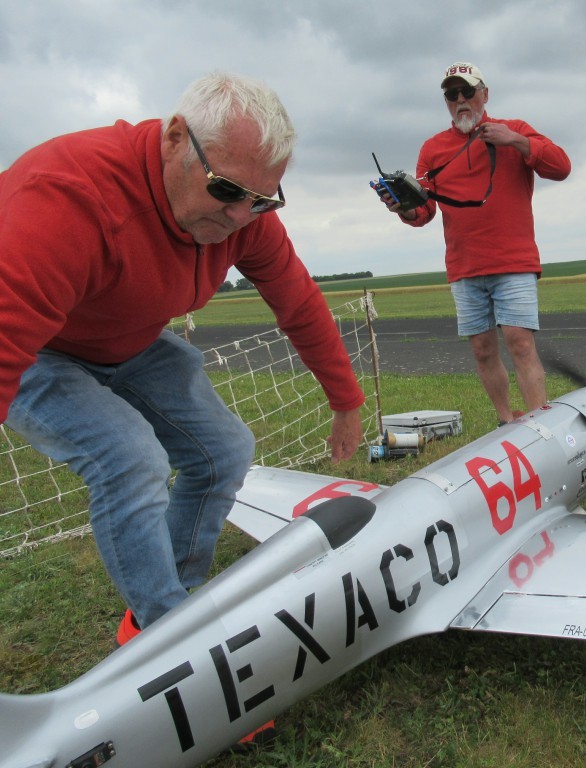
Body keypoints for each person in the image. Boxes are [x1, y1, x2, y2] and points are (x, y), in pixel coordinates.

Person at [0, 73, 365, 744]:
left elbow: (298, 301)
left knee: (223, 451)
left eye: (261, 200)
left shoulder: (243, 216)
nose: (236, 217)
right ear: (174, 138)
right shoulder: (67, 197)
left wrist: (346, 400)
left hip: (130, 337)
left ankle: (163, 612)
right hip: (40, 350)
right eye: (225, 190)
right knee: (129, 457)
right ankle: (176, 654)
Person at [380, 61, 570, 425]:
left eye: (468, 92)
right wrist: (401, 207)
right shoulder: (432, 148)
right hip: (465, 267)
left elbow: (561, 167)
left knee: (520, 342)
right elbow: (425, 212)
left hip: (513, 261)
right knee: (483, 350)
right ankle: (505, 422)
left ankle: (541, 426)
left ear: (485, 94)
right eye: (452, 95)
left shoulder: (514, 130)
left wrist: (514, 141)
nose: (461, 100)